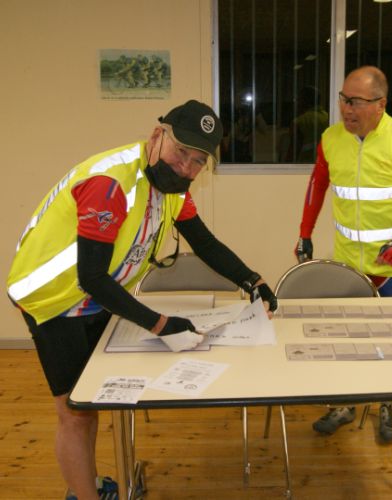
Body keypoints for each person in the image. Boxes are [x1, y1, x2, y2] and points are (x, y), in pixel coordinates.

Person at [6, 100, 278, 499]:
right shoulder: (111, 184)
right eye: (181, 152)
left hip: (95, 296)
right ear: (157, 135)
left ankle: (85, 484)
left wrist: (253, 280)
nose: (185, 167)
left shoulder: (171, 188)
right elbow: (92, 277)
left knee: (92, 401)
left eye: (198, 161)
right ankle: (83, 494)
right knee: (75, 412)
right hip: (54, 300)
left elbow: (204, 242)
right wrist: (160, 324)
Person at [294, 66, 392, 442]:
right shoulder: (331, 138)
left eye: (356, 101)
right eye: (343, 99)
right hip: (347, 265)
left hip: (390, 268)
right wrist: (304, 233)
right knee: (345, 341)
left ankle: (388, 406)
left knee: (388, 343)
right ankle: (345, 404)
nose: (347, 108)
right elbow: (317, 184)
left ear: (380, 104)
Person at [285, 85, 329, 163]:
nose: (296, 102)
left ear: (304, 101)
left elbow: (293, 152)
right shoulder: (329, 118)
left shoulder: (299, 122)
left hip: (305, 166)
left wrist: (284, 167)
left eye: (298, 99)